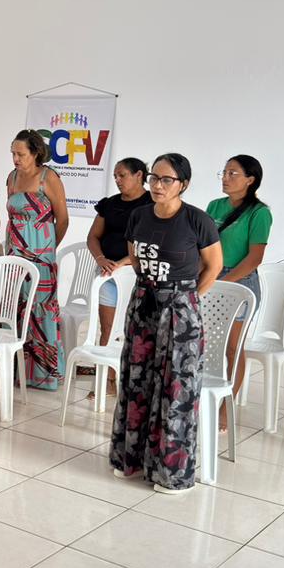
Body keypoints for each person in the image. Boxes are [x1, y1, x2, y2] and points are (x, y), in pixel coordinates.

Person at [110, 153, 222, 494]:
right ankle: (132, 460)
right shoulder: (139, 216)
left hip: (180, 309)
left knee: (176, 387)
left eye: (166, 180)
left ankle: (172, 473)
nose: (158, 185)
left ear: (183, 184)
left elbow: (214, 267)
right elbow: (135, 257)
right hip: (143, 304)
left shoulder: (197, 220)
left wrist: (187, 299)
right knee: (137, 381)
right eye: (154, 178)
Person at [206, 154, 273, 431]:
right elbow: (204, 246)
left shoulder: (259, 213)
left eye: (232, 173)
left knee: (232, 347)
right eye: (224, 172)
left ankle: (227, 405)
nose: (225, 178)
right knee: (208, 345)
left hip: (240, 283)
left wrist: (224, 283)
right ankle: (205, 396)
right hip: (212, 277)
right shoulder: (215, 206)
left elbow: (254, 258)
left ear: (250, 180)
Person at [7, 129, 69, 390]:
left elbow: (62, 219)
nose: (15, 159)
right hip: (14, 253)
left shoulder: (48, 177)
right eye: (13, 153)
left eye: (20, 154)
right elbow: (11, 216)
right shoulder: (12, 177)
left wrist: (47, 249)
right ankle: (18, 371)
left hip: (41, 256)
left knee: (41, 310)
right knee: (17, 307)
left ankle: (45, 375)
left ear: (35, 153)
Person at [86, 157, 150, 347]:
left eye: (122, 175)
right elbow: (93, 236)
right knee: (108, 328)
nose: (117, 180)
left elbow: (152, 244)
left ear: (139, 175)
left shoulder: (152, 204)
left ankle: (129, 366)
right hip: (108, 273)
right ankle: (105, 367)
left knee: (136, 330)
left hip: (137, 274)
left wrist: (122, 263)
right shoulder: (110, 204)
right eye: (115, 176)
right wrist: (100, 259)